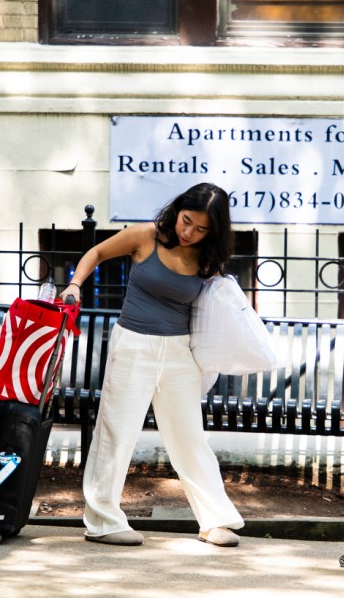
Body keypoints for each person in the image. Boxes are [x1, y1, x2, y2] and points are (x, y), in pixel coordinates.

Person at [59, 182, 244, 547]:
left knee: (190, 437)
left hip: (180, 354)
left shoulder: (206, 258)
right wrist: (75, 285)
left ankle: (214, 521)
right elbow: (96, 252)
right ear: (177, 210)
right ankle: (103, 521)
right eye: (186, 221)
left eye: (200, 228)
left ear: (214, 231)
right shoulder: (146, 236)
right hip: (134, 346)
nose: (188, 232)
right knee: (117, 431)